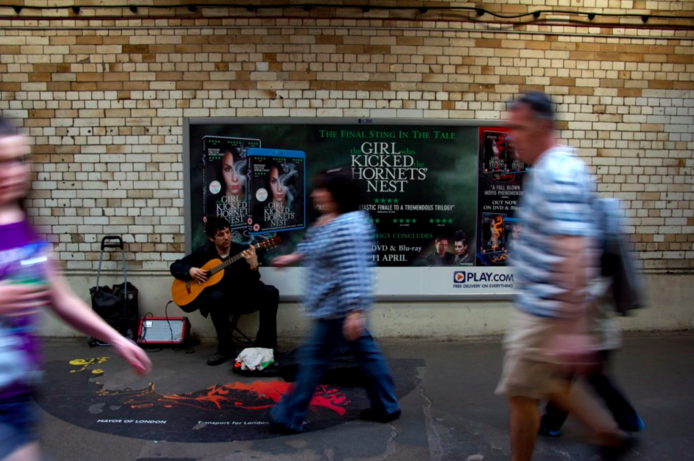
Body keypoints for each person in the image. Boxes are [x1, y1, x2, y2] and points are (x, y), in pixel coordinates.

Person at [0, 118, 152, 461]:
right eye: (0, 162)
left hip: (15, 394)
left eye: (18, 160)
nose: (11, 172)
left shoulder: (26, 229)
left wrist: (116, 338)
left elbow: (60, 298)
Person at [495, 92, 630, 461]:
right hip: (546, 306)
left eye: (518, 127)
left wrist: (571, 326)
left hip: (548, 309)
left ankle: (607, 433)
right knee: (540, 385)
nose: (511, 137)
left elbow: (574, 246)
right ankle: (608, 433)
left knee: (521, 393)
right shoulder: (555, 169)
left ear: (541, 125)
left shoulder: (555, 173)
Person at [269, 167, 400, 433]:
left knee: (313, 361)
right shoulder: (331, 220)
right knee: (368, 355)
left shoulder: (348, 227)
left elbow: (354, 271)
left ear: (337, 194)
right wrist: (293, 257)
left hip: (337, 308)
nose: (316, 193)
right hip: (334, 305)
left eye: (322, 188)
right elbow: (314, 246)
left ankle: (288, 416)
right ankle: (387, 405)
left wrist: (354, 311)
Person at [170, 216, 279, 366]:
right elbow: (175, 266)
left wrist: (253, 267)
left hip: (241, 296)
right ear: (211, 238)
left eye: (228, 232)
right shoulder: (204, 253)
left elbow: (252, 283)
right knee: (216, 297)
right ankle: (225, 348)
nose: (226, 237)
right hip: (219, 303)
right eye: (221, 234)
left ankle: (266, 345)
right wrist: (191, 270)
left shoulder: (242, 251)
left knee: (271, 292)